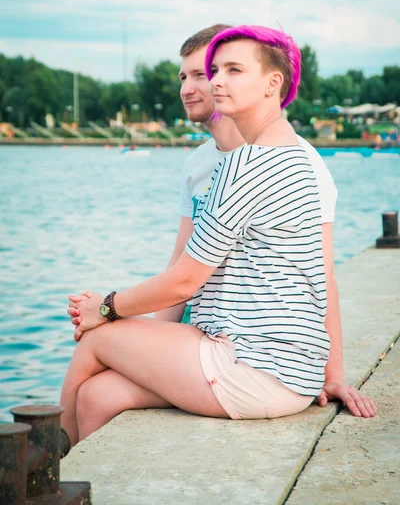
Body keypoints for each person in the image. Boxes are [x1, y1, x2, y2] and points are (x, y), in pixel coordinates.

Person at [62, 25, 376, 453]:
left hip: (254, 369)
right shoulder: (292, 155)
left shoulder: (247, 164)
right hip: (287, 371)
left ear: (273, 84)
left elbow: (184, 282)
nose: (214, 82)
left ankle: (45, 475)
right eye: (213, 71)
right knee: (100, 396)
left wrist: (106, 307)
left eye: (232, 70)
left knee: (97, 336)